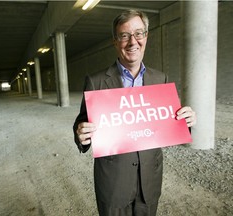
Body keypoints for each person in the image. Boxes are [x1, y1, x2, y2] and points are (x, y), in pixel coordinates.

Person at [73, 9, 196, 216]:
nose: (133, 42)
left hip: (149, 181)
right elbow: (82, 125)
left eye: (139, 33)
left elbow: (169, 124)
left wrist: (187, 122)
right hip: (113, 184)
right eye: (124, 35)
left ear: (146, 37)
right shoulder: (96, 81)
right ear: (115, 41)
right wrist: (81, 136)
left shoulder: (161, 79)